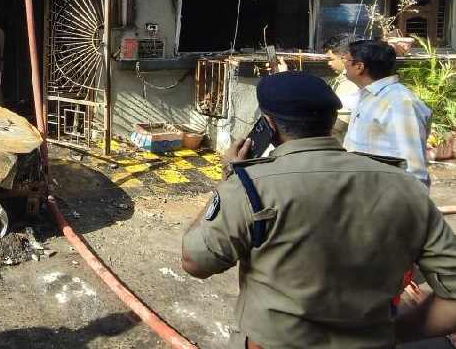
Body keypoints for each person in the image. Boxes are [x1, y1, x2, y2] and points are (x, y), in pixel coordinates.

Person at [181, 71, 456, 347]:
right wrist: (389, 334)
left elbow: (196, 263)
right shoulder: (405, 186)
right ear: (333, 120)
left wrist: (228, 179)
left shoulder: (249, 186)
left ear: (269, 125)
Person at [342, 39, 431, 186]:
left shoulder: (400, 102)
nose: (343, 64)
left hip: (386, 193)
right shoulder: (367, 95)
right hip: (364, 190)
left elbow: (413, 168)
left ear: (359, 67)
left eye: (346, 59)